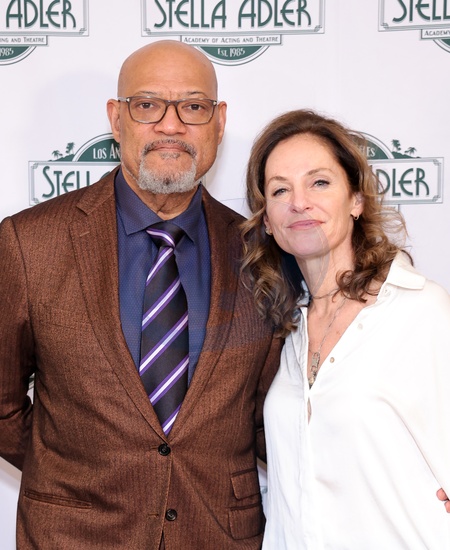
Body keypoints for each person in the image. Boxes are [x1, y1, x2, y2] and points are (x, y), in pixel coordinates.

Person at [0, 41, 282, 549]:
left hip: (216, 536)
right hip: (73, 538)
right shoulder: (30, 243)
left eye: (193, 107)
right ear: (116, 118)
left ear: (219, 122)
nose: (171, 126)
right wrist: (73, 476)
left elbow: (276, 419)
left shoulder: (262, 253)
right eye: (147, 105)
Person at [241, 109, 450, 549]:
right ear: (267, 220)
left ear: (356, 200)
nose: (299, 202)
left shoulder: (420, 309)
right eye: (280, 190)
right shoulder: (285, 330)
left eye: (319, 182)